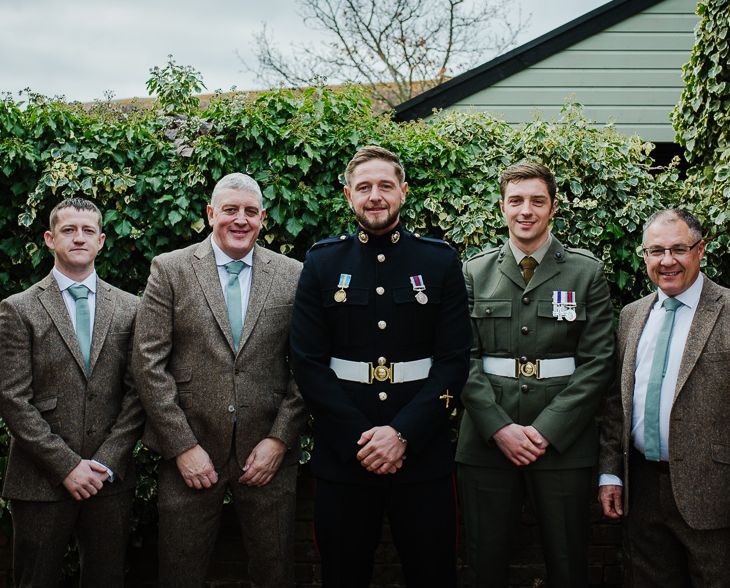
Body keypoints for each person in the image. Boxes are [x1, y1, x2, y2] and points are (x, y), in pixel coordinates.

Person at [290, 145, 471, 588]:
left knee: (432, 574)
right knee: (342, 574)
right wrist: (362, 439)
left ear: (403, 192)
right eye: (365, 187)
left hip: (423, 454)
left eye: (385, 186)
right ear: (348, 194)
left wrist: (403, 434)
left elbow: (452, 361)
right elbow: (308, 364)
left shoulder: (439, 260)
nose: (375, 195)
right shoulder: (322, 262)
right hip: (344, 457)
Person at [131, 173, 306, 588]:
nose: (240, 220)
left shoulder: (292, 274)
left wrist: (279, 439)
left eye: (250, 211)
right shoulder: (170, 270)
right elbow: (148, 364)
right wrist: (182, 447)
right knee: (180, 572)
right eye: (230, 210)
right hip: (190, 454)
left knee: (275, 572)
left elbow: (308, 364)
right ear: (211, 214)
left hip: (267, 455)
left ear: (263, 218)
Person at [456, 161, 615, 587]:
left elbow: (598, 361)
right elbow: (462, 358)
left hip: (563, 443)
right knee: (484, 563)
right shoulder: (475, 271)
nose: (526, 210)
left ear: (553, 207)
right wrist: (500, 428)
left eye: (537, 201)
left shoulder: (586, 272)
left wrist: (546, 430)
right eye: (516, 201)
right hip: (487, 441)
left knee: (568, 563)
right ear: (502, 208)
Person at [0, 197, 143, 587]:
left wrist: (105, 462)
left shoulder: (131, 308)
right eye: (68, 230)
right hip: (39, 478)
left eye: (87, 231)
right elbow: (12, 398)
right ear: (49, 238)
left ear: (101, 241)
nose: (78, 238)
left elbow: (138, 394)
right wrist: (66, 465)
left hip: (108, 479)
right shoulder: (18, 309)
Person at [599, 208, 730, 587]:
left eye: (679, 249)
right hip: (641, 490)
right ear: (644, 256)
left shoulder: (726, 310)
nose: (667, 261)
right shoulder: (631, 315)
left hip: (714, 495)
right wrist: (611, 472)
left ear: (700, 250)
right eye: (656, 251)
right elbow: (616, 403)